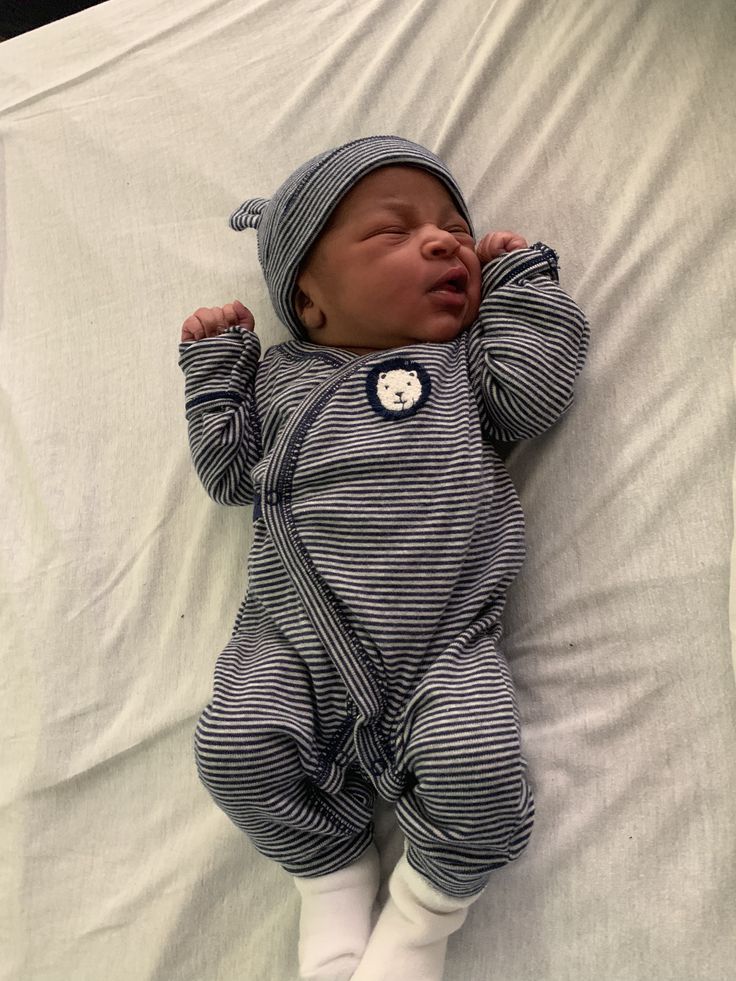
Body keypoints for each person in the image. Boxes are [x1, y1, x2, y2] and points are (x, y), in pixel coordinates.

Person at [178, 135, 589, 981]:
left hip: (444, 646)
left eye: (452, 228)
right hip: (293, 641)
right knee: (233, 746)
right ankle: (329, 874)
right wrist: (218, 367)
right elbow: (225, 473)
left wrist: (518, 286)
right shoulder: (281, 379)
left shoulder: (466, 369)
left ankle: (422, 917)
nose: (444, 243)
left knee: (478, 768)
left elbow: (540, 391)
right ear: (310, 300)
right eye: (393, 232)